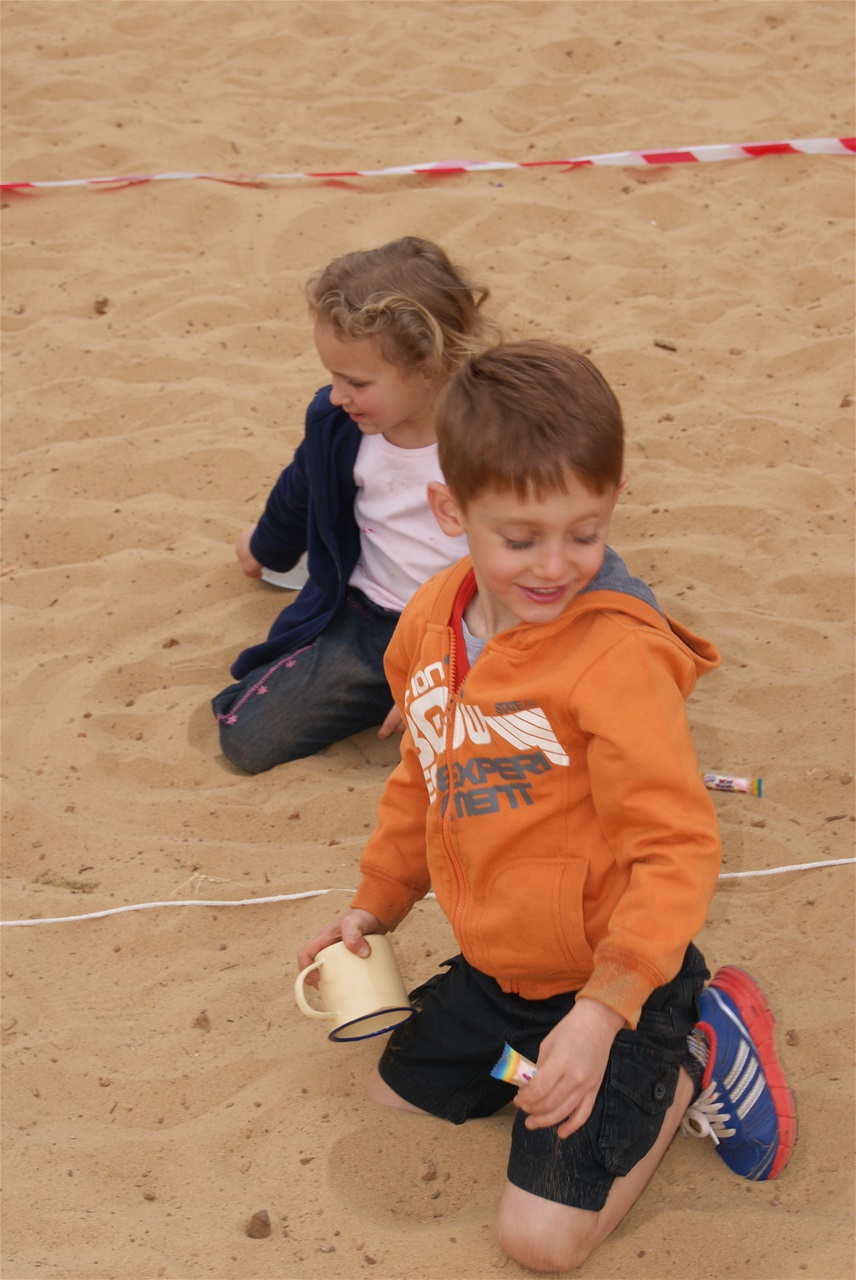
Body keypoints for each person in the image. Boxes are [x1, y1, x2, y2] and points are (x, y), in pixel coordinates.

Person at [297, 342, 795, 1273]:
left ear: (612, 503)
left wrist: (602, 1015)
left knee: (540, 1243)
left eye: (585, 532)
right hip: (499, 972)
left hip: (613, 984)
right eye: (520, 539)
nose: (556, 566)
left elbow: (677, 849)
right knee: (392, 1097)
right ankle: (540, 1063)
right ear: (451, 511)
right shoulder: (428, 623)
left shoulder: (616, 661)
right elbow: (422, 773)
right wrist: (375, 905)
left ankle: (695, 1050)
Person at [213, 236, 499, 773]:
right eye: (332, 376)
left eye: (356, 381)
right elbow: (302, 487)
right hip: (370, 618)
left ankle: (431, 696)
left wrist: (449, 668)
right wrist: (265, 549)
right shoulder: (339, 422)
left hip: (471, 625)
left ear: (429, 366)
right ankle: (397, 690)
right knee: (249, 737)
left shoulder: (495, 439)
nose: (337, 394)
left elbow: (528, 555)